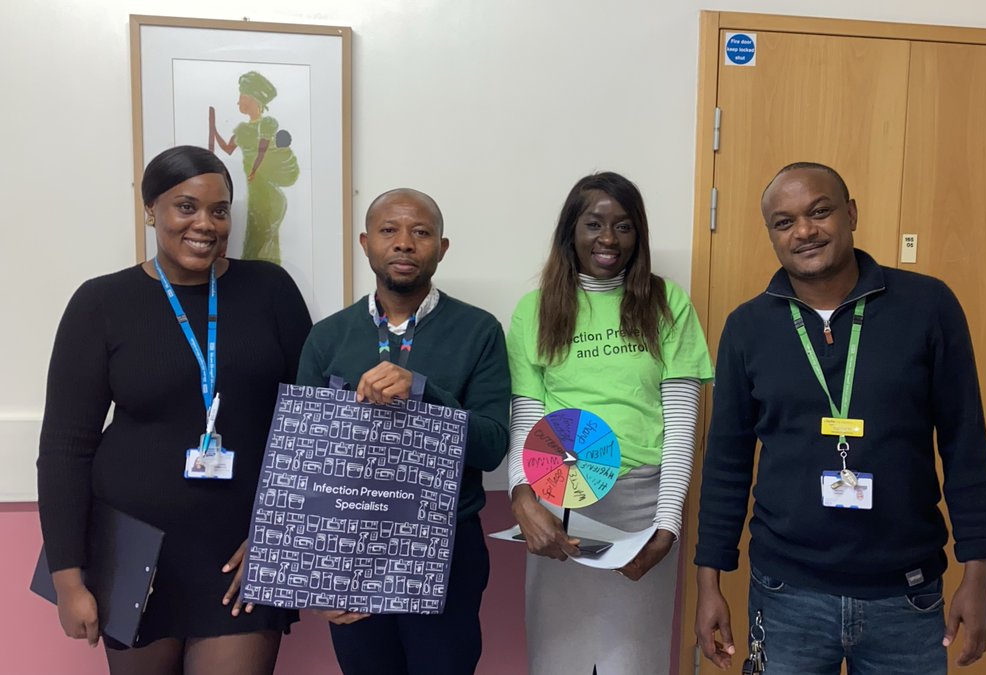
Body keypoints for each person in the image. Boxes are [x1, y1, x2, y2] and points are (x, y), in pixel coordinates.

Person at [693, 162, 986, 674]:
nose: (805, 231)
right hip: (785, 594)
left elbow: (964, 444)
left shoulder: (928, 307)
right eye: (785, 222)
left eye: (820, 212)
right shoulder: (748, 328)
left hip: (906, 596)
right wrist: (710, 583)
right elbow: (726, 463)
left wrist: (979, 573)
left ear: (851, 213)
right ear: (771, 234)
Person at [37, 145, 312, 673]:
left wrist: (278, 533)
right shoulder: (101, 303)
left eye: (220, 210)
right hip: (134, 554)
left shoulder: (270, 290)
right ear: (151, 211)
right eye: (186, 207)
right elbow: (65, 448)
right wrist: (68, 578)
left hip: (241, 552)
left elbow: (306, 427)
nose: (205, 224)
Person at [296, 188, 511, 675]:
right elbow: (304, 462)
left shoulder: (480, 331)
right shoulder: (328, 336)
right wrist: (320, 572)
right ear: (365, 242)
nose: (405, 243)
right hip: (350, 546)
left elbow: (492, 446)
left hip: (446, 544)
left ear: (442, 246)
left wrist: (423, 391)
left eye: (421, 232)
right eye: (389, 231)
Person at [506, 172, 713, 674]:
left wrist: (668, 525)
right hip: (560, 505)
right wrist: (522, 497)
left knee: (633, 663)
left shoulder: (668, 303)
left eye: (623, 226)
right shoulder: (535, 310)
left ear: (638, 235)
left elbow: (683, 426)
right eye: (593, 224)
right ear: (570, 233)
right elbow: (528, 418)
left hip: (644, 503)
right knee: (557, 662)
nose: (607, 239)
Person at [209, 70, 300, 265]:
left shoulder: (267, 124)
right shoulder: (242, 129)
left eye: (242, 98)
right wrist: (214, 128)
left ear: (253, 100)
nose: (238, 103)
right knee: (255, 234)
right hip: (254, 189)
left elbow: (262, 150)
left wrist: (253, 170)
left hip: (267, 191)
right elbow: (227, 148)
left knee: (262, 236)